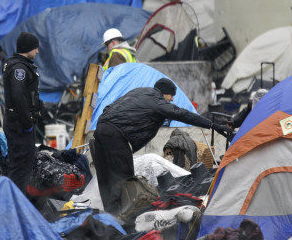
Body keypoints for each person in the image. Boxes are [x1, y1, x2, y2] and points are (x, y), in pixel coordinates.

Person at [91, 78, 231, 213]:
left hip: (100, 130)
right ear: (165, 93)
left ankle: (110, 218)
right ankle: (124, 218)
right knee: (125, 179)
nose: (172, 100)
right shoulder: (157, 101)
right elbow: (182, 114)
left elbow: (109, 107)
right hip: (117, 137)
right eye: (171, 96)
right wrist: (211, 125)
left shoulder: (139, 91)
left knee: (106, 179)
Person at [2, 32, 41, 195]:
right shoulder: (19, 68)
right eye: (35, 48)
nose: (37, 52)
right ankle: (15, 203)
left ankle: (16, 201)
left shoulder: (17, 64)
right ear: (28, 48)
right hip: (19, 124)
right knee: (21, 166)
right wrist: (27, 123)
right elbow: (18, 95)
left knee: (20, 164)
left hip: (17, 121)